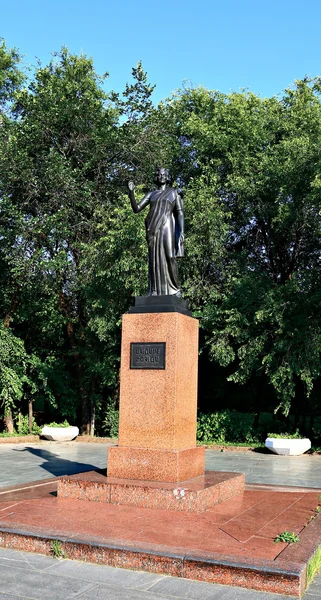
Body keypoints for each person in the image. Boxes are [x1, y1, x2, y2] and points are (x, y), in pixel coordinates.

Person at [127, 167, 184, 296]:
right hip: (153, 229)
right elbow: (136, 209)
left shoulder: (174, 192)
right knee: (154, 259)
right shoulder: (151, 194)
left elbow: (180, 213)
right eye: (159, 174)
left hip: (167, 225)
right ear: (156, 177)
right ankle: (154, 290)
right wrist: (131, 193)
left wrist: (181, 232)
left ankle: (175, 289)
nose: (162, 176)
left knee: (170, 256)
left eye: (164, 174)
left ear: (168, 177)